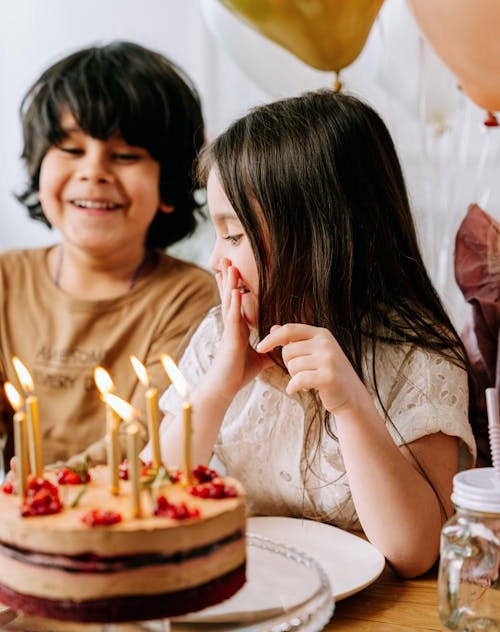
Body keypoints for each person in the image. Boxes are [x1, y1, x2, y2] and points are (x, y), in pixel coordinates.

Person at [142, 90, 476, 578]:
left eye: (233, 235)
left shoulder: (415, 355)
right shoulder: (222, 338)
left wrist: (351, 406)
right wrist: (217, 389)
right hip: (241, 597)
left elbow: (415, 552)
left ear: (318, 237)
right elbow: (146, 495)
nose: (215, 260)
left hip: (374, 618)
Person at [0, 41, 218, 468]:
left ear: (168, 187)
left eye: (124, 156)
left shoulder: (188, 297)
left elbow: (144, 436)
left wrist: (44, 489)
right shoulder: (6, 279)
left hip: (126, 518)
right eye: (71, 149)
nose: (94, 171)